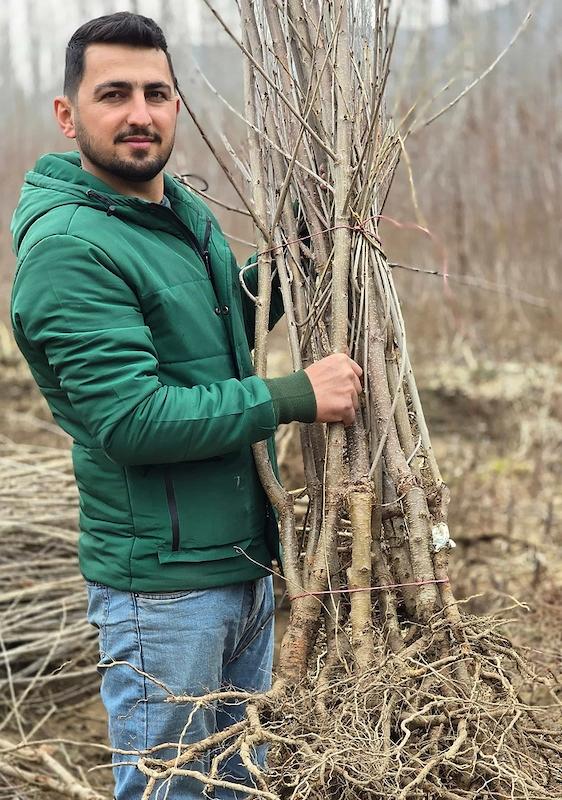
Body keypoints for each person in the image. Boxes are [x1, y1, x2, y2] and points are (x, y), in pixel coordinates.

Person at [10, 12, 362, 800]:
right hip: (164, 591)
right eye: (114, 94)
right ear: (68, 114)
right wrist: (297, 396)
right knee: (173, 788)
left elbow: (214, 334)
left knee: (238, 782)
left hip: (239, 559)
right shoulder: (71, 249)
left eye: (157, 92)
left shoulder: (180, 214)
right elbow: (133, 419)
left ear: (176, 105)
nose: (140, 112)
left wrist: (299, 249)